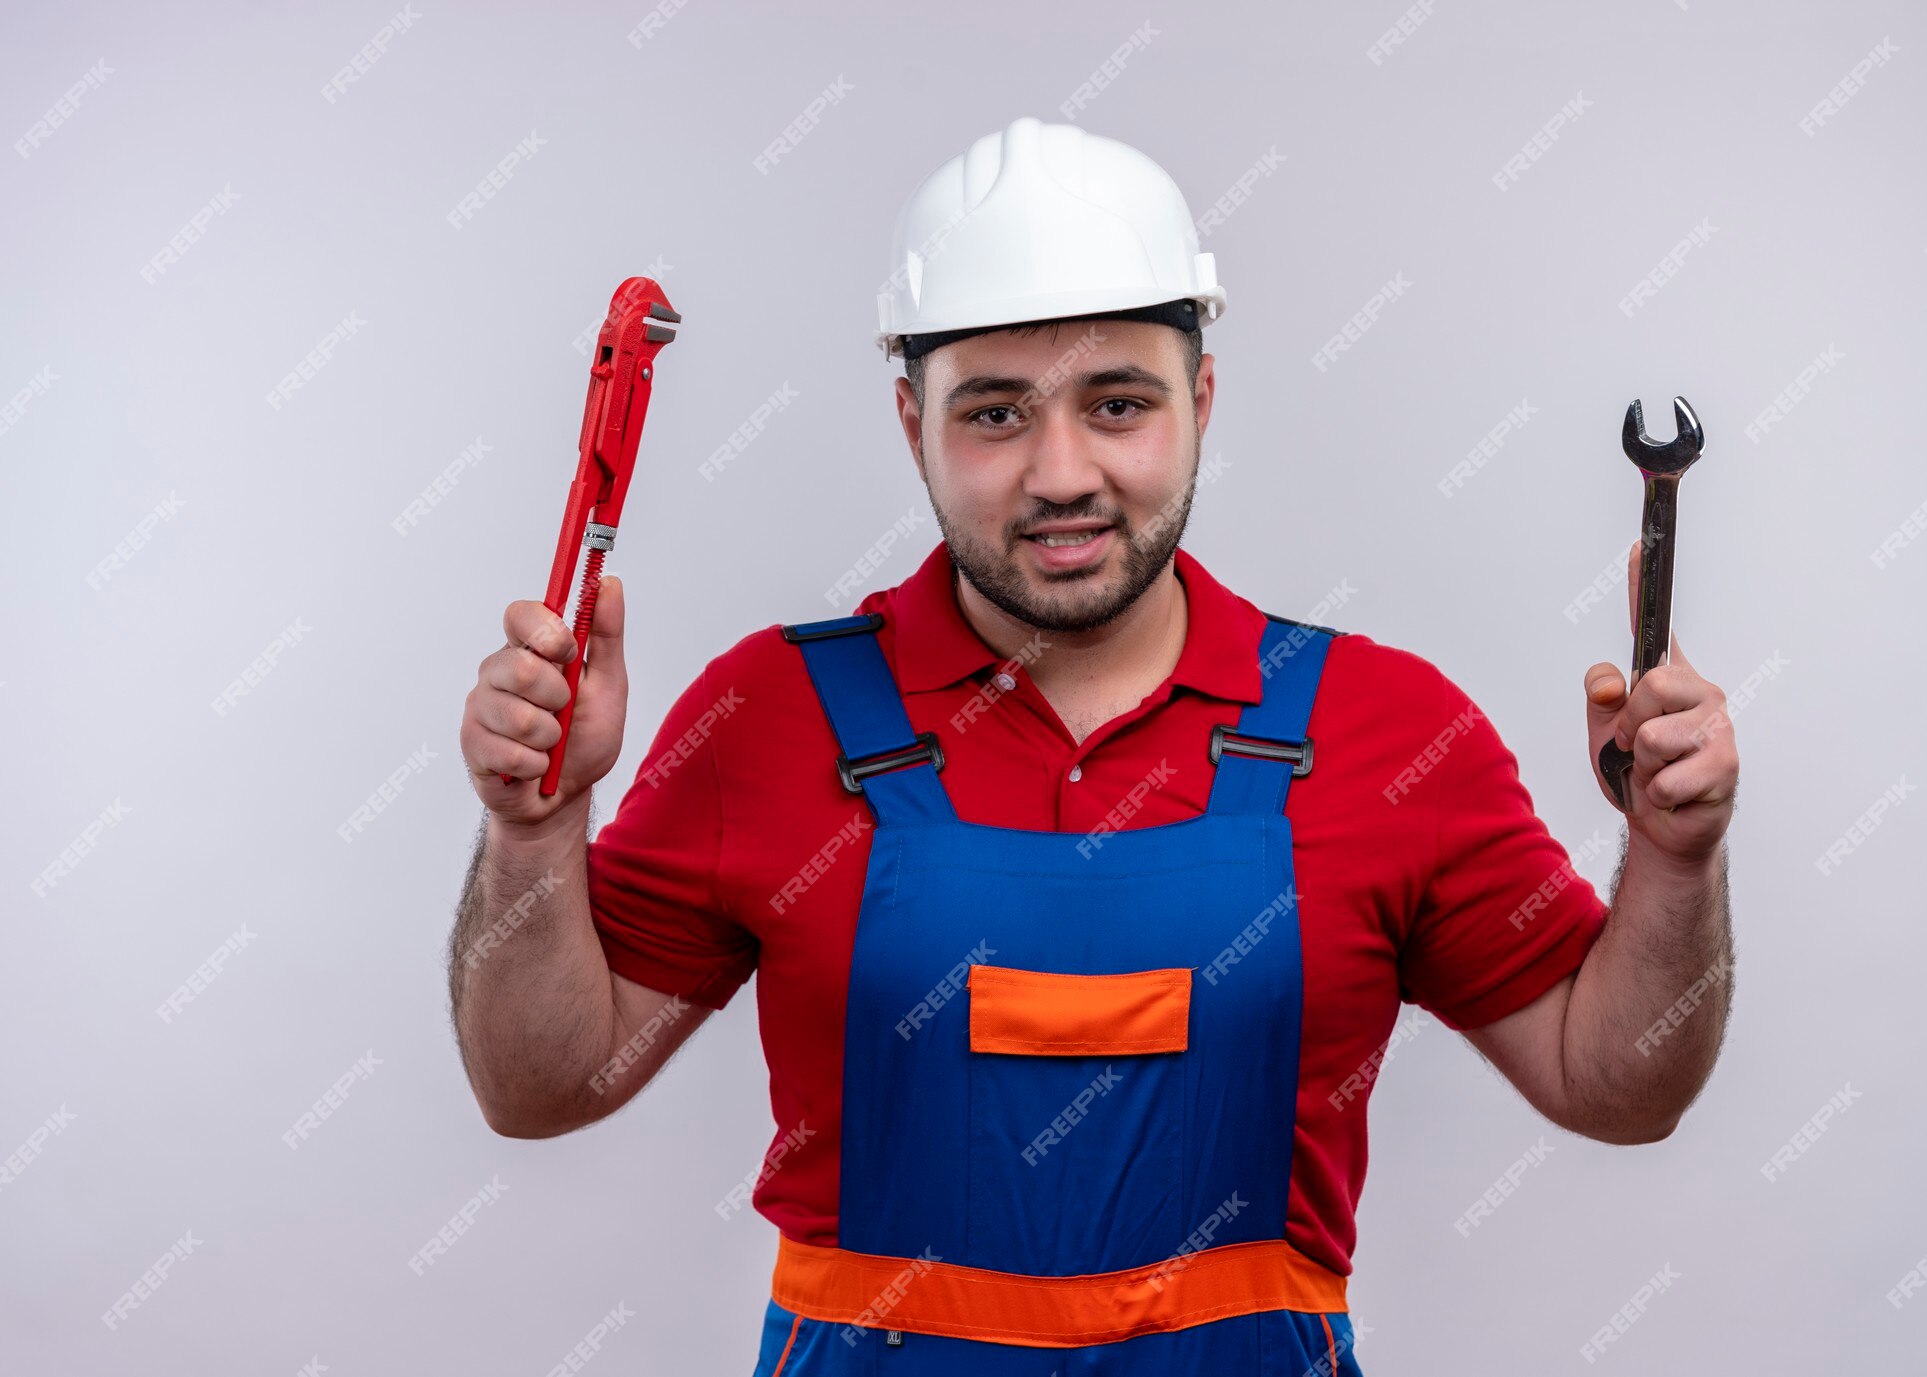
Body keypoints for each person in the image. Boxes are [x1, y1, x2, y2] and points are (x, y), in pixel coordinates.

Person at [450, 115, 1738, 1376]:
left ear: (1203, 396)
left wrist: (1675, 860)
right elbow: (539, 1087)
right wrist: (536, 827)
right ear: (913, 423)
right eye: (997, 414)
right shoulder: (770, 716)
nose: (1062, 472)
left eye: (1118, 403)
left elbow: (1613, 1088)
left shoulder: (1386, 730)